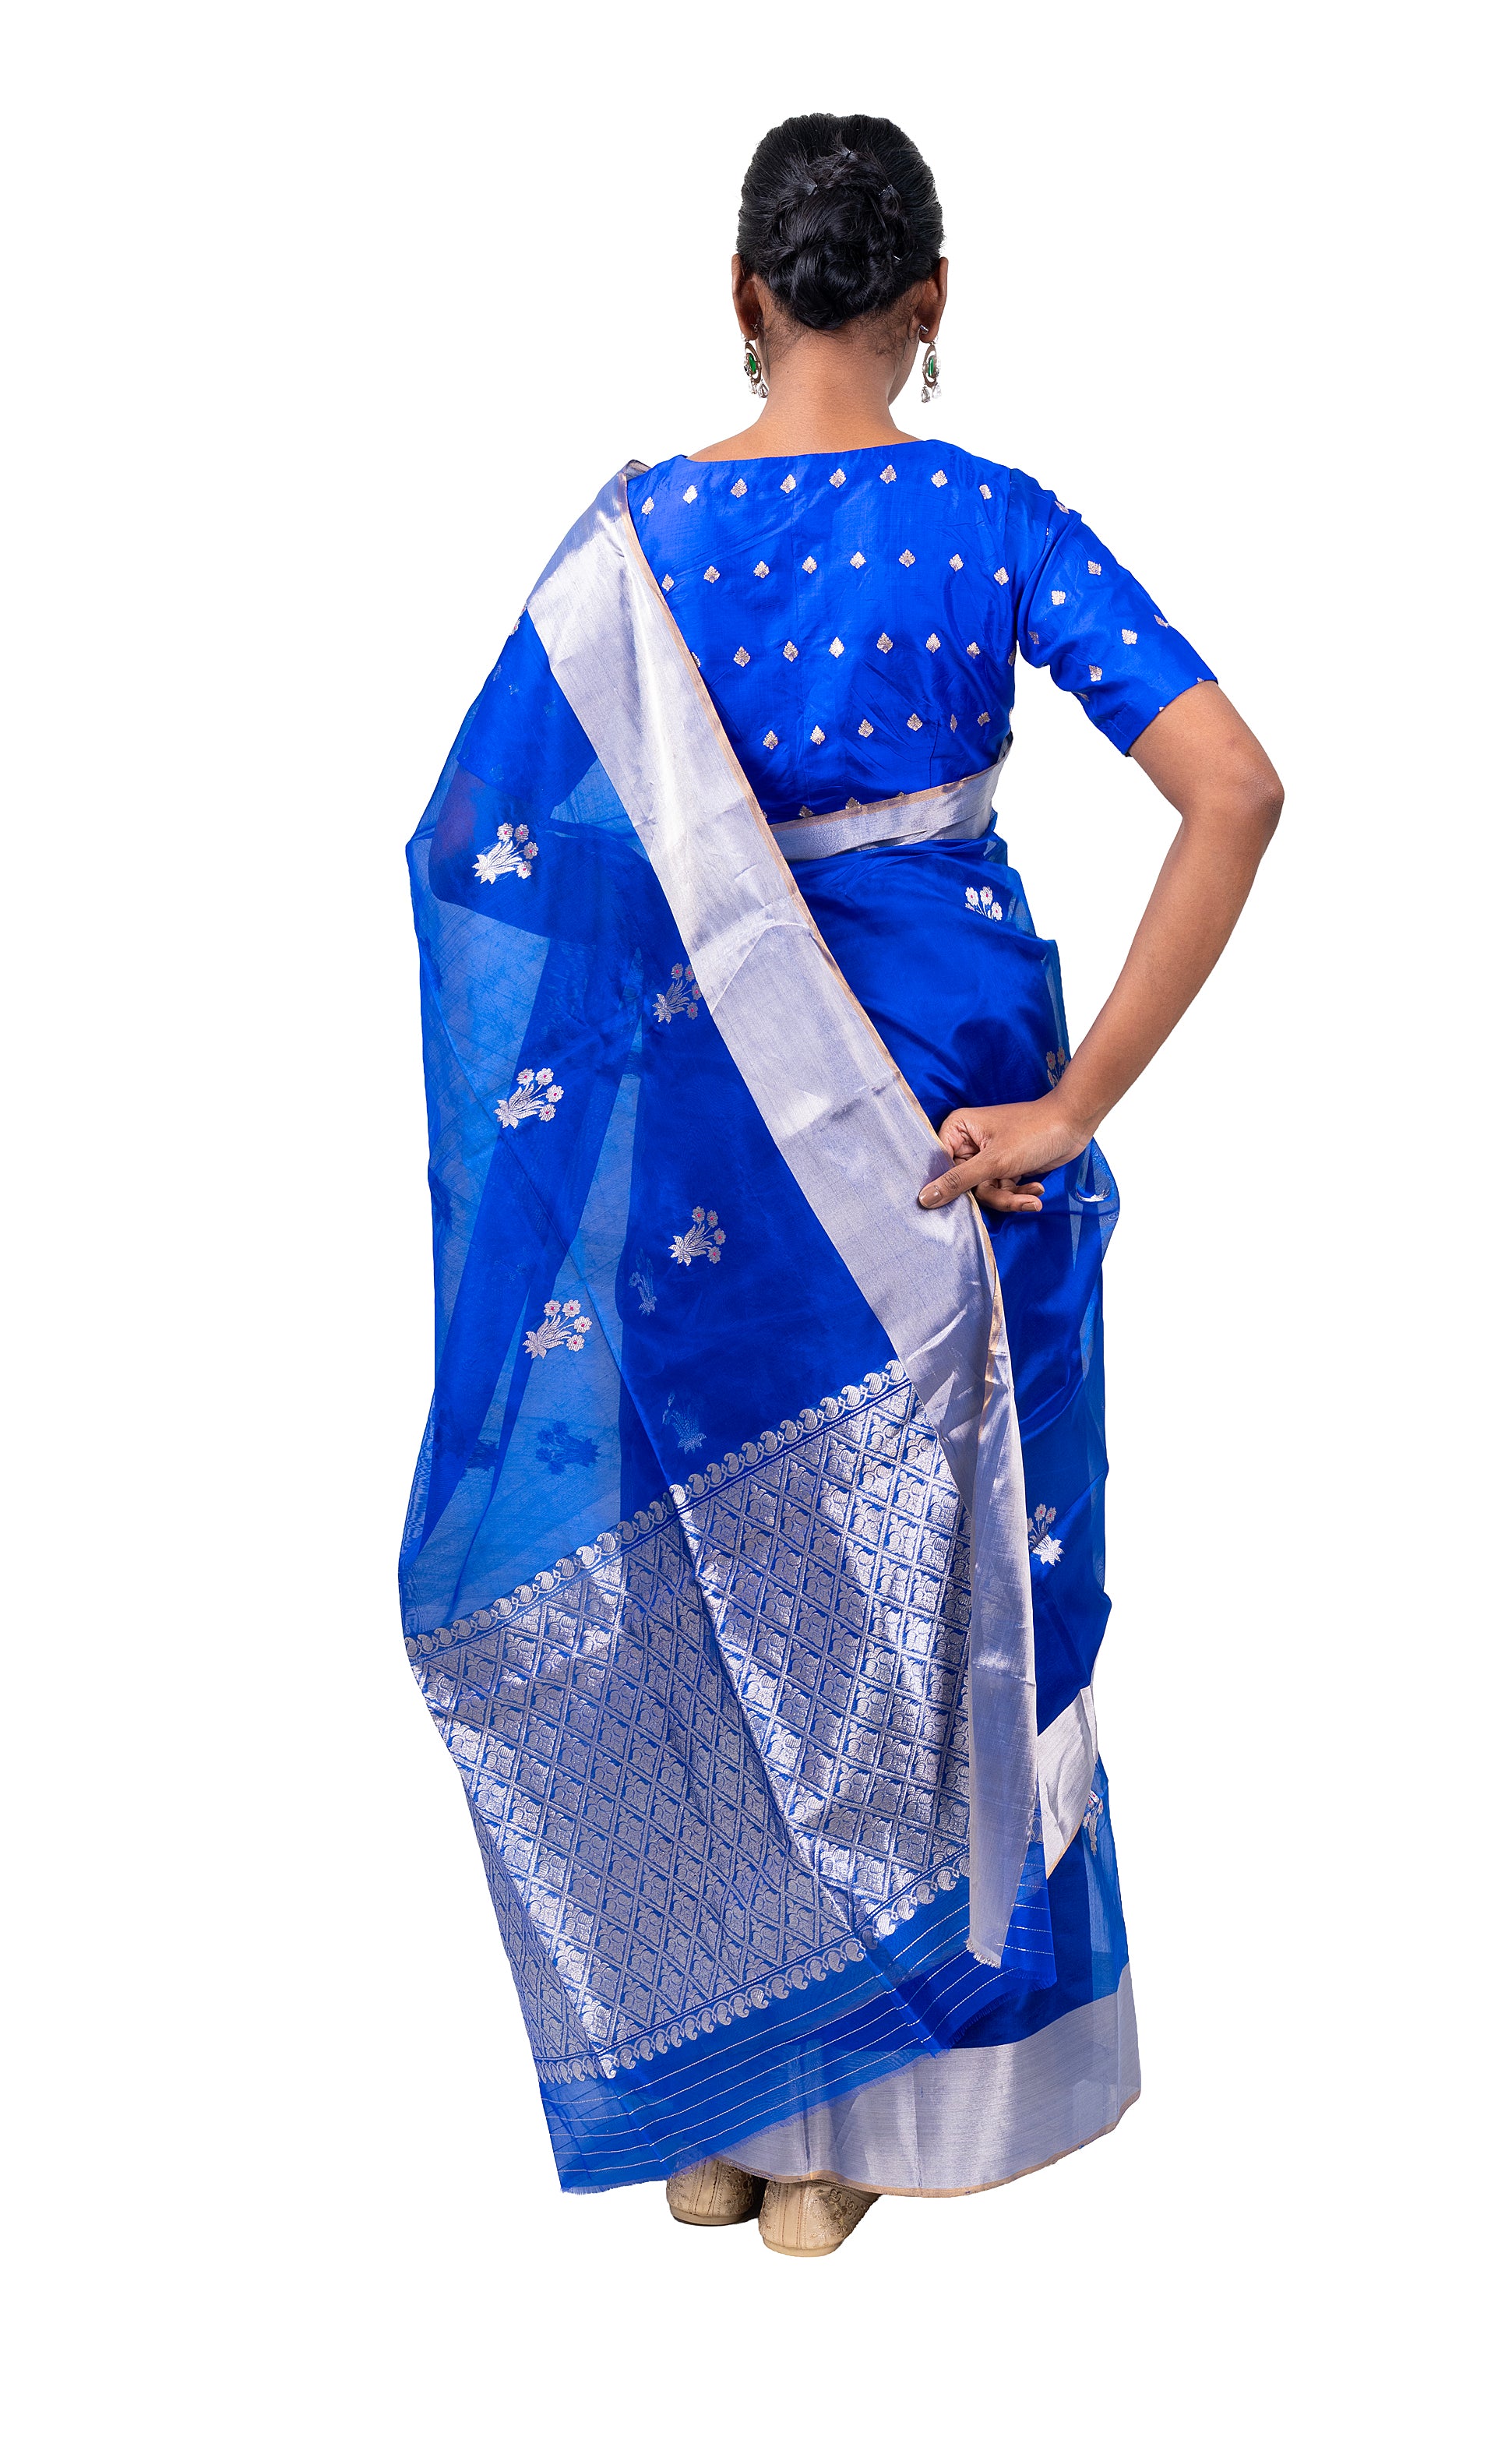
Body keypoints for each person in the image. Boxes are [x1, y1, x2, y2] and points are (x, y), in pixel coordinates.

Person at [402, 111, 1281, 2258]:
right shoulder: (989, 522)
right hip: (950, 1123)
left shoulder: (636, 553)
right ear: (931, 300)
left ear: (743, 294)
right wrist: (1077, 1103)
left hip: (707, 1130)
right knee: (941, 1575)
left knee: (740, 1574)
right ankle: (874, 2138)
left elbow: (492, 848)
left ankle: (727, 2123)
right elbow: (1236, 790)